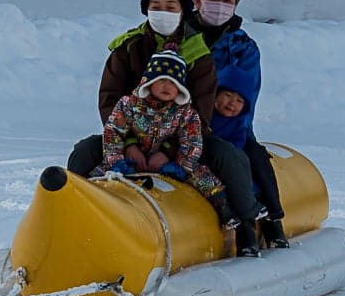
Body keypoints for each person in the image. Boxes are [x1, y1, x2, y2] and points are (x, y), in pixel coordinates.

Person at [67, 0, 264, 256]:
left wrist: (171, 147)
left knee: (229, 157)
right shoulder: (128, 47)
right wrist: (130, 143)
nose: (162, 12)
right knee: (84, 152)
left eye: (170, 7)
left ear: (183, 10)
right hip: (129, 137)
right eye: (155, 6)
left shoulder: (197, 52)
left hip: (184, 139)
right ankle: (72, 215)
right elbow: (110, 99)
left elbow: (202, 108)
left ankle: (245, 223)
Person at [99, 52, 243, 246]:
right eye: (162, 81)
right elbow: (113, 132)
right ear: (149, 82)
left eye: (174, 83)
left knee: (203, 177)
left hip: (168, 162)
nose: (167, 86)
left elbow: (192, 142)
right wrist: (117, 161)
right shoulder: (128, 105)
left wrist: (180, 166)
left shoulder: (186, 113)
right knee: (99, 173)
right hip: (132, 161)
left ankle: (223, 208)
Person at [193, 0, 288, 248]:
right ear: (197, 0)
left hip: (229, 129)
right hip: (184, 127)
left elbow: (239, 100)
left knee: (248, 157)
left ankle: (266, 219)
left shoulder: (243, 47)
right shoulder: (180, 39)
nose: (219, 5)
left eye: (227, 0)